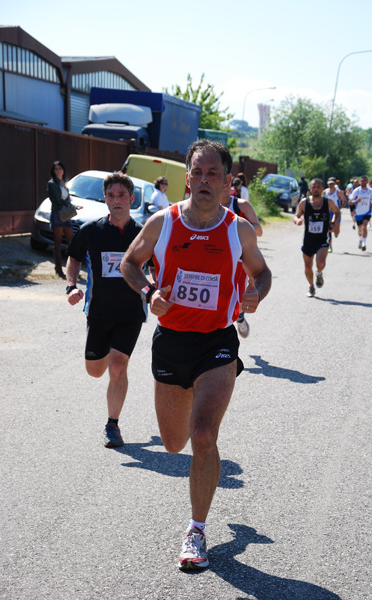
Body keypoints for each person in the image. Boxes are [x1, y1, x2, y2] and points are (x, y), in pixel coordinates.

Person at [120, 140, 272, 570]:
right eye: (198, 173)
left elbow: (262, 274)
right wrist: (150, 293)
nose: (204, 181)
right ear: (187, 178)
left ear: (227, 182)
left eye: (213, 175)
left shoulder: (237, 229)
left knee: (203, 435)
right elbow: (131, 264)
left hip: (217, 343)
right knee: (174, 445)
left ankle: (196, 529)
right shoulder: (161, 222)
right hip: (171, 340)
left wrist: (254, 293)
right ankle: (225, 510)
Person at [65, 172, 146, 448]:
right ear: (105, 198)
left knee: (117, 364)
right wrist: (71, 286)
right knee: (95, 371)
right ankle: (105, 365)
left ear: (131, 199)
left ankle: (113, 424)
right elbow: (73, 258)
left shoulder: (143, 234)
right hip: (98, 311)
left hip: (131, 311)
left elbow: (160, 264)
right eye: (111, 195)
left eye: (122, 195)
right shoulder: (91, 230)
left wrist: (157, 288)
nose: (116, 200)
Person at [221, 188, 263, 338]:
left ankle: (239, 316)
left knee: (238, 296)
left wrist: (239, 227)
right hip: (214, 257)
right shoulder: (204, 206)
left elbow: (259, 230)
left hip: (238, 259)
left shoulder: (241, 205)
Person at [293, 178, 340, 297]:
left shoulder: (328, 202)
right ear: (310, 189)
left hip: (322, 239)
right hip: (308, 240)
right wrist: (298, 220)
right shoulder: (304, 202)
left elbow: (337, 212)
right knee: (308, 267)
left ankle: (319, 273)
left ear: (322, 189)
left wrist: (333, 222)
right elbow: (296, 215)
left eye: (318, 186)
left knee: (320, 261)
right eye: (314, 186)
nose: (316, 189)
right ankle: (311, 286)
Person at [48, 161, 74, 279]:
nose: (58, 171)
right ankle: (58, 269)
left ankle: (72, 268)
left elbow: (66, 197)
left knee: (71, 241)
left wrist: (72, 204)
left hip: (66, 214)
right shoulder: (52, 183)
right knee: (57, 241)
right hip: (57, 213)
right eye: (56, 169)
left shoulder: (64, 183)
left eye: (60, 168)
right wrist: (67, 203)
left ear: (63, 170)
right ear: (54, 171)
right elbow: (57, 200)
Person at [349, 176, 372, 251]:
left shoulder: (370, 191)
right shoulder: (356, 191)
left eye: (364, 181)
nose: (363, 182)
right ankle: (360, 239)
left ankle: (364, 243)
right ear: (359, 182)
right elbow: (350, 202)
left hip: (367, 212)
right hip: (358, 213)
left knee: (364, 226)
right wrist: (355, 201)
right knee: (360, 229)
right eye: (362, 181)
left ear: (367, 182)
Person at [324, 177, 346, 252]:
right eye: (330, 184)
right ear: (327, 184)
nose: (331, 185)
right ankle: (330, 246)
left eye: (332, 184)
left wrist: (339, 208)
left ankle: (336, 233)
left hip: (336, 213)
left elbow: (344, 201)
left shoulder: (338, 192)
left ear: (335, 184)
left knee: (336, 231)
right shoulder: (324, 192)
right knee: (329, 230)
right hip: (328, 212)